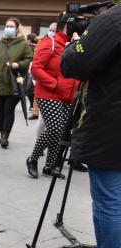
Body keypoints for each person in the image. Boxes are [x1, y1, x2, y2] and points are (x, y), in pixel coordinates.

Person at [61, 3, 121, 248]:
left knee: (109, 198)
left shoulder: (112, 20)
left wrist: (75, 45)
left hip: (111, 124)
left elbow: (75, 64)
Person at [25, 13, 79, 180]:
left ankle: (50, 166)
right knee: (55, 128)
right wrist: (54, 84)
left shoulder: (72, 45)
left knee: (61, 131)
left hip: (66, 95)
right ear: (67, 26)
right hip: (48, 93)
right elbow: (36, 69)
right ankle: (32, 159)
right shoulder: (50, 42)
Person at [0, 17, 33, 148]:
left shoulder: (22, 44)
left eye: (11, 26)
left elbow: (29, 58)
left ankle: (5, 136)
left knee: (9, 109)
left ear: (17, 28)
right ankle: (2, 133)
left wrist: (17, 64)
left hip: (14, 83)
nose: (8, 28)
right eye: (7, 26)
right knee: (1, 110)